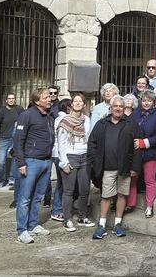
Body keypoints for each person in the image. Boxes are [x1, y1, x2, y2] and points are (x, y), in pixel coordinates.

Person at [88, 95, 141, 240]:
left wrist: (135, 167)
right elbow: (91, 144)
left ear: (124, 109)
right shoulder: (101, 124)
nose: (118, 109)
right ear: (110, 108)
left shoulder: (132, 124)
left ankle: (118, 224)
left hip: (125, 168)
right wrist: (94, 161)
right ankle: (102, 225)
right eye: (115, 106)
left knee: (122, 195)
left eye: (121, 106)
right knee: (105, 196)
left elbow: (137, 148)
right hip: (107, 168)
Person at [13, 88, 55, 244]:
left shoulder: (49, 117)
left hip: (46, 161)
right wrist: (21, 162)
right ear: (37, 101)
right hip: (31, 162)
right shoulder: (27, 115)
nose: (50, 99)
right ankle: (22, 230)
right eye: (46, 97)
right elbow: (18, 140)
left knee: (38, 197)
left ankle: (33, 225)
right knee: (24, 198)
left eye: (50, 96)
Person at [56, 93, 94, 232]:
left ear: (84, 105)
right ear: (71, 104)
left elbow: (89, 138)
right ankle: (67, 219)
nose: (78, 103)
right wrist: (64, 162)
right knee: (69, 191)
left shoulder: (87, 120)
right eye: (75, 101)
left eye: (80, 101)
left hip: (84, 157)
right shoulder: (65, 120)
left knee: (84, 190)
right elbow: (61, 142)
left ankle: (82, 216)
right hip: (70, 157)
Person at [129, 90, 156, 217]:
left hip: (152, 153)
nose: (146, 103)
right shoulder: (134, 115)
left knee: (149, 179)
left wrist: (144, 143)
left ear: (154, 102)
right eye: (144, 100)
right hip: (136, 152)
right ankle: (130, 204)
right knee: (133, 178)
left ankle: (149, 206)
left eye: (149, 100)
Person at [0, 93, 23, 188]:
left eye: (13, 98)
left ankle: (12, 179)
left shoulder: (19, 109)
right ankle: (1, 180)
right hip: (4, 139)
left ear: (15, 100)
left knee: (15, 160)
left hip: (15, 139)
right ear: (6, 100)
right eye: (9, 98)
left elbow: (24, 121)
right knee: (1, 162)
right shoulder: (2, 111)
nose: (11, 100)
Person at [48, 98, 71, 222]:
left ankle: (59, 208)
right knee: (62, 184)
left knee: (61, 183)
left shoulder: (57, 118)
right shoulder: (64, 120)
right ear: (68, 108)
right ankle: (57, 210)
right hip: (61, 154)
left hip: (55, 153)